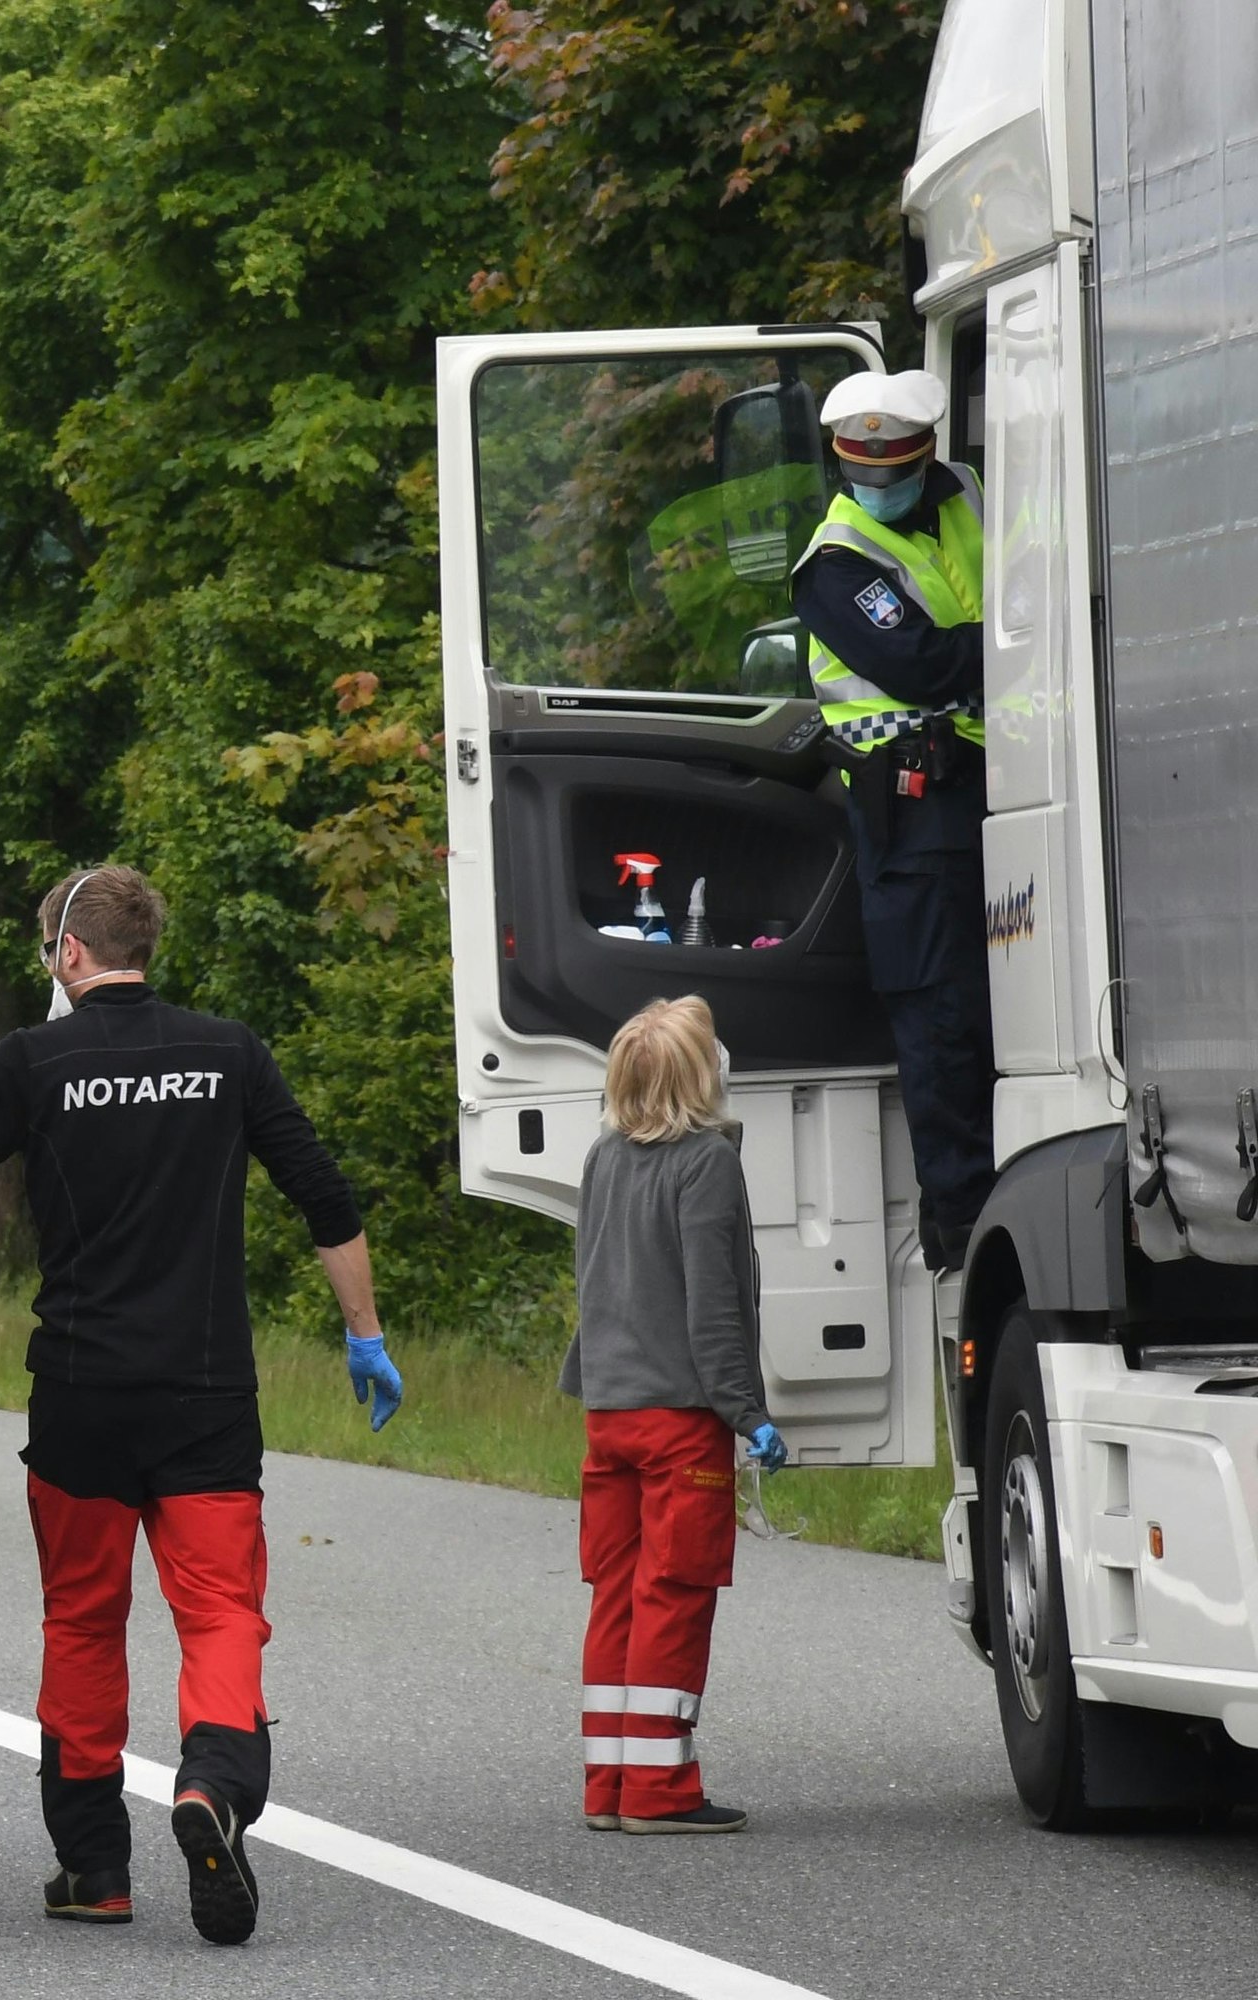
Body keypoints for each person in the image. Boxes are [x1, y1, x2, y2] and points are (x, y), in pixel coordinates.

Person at [0, 864, 386, 1946]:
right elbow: (325, 1194)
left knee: (82, 1619)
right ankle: (209, 1782)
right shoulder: (227, 1051)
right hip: (205, 1394)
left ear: (69, 951)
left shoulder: (34, 1060)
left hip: (78, 1397)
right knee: (217, 1610)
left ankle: (94, 1866)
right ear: (142, 945)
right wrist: (364, 1334)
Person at [789, 366, 993, 1271]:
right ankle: (965, 1222)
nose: (878, 482)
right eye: (861, 470)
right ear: (842, 466)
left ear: (928, 455)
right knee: (942, 1023)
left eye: (894, 466)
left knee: (1007, 1013)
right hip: (914, 818)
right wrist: (1030, 631)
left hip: (1003, 777)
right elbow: (927, 668)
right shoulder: (834, 565)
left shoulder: (969, 497)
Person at [563, 997, 778, 1834]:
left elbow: (594, 1276)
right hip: (680, 1418)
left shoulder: (603, 1156)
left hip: (608, 1414)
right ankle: (661, 1792)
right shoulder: (706, 1163)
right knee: (674, 1594)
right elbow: (712, 1309)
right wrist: (747, 1412)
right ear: (703, 1076)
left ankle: (608, 1784)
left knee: (615, 1593)